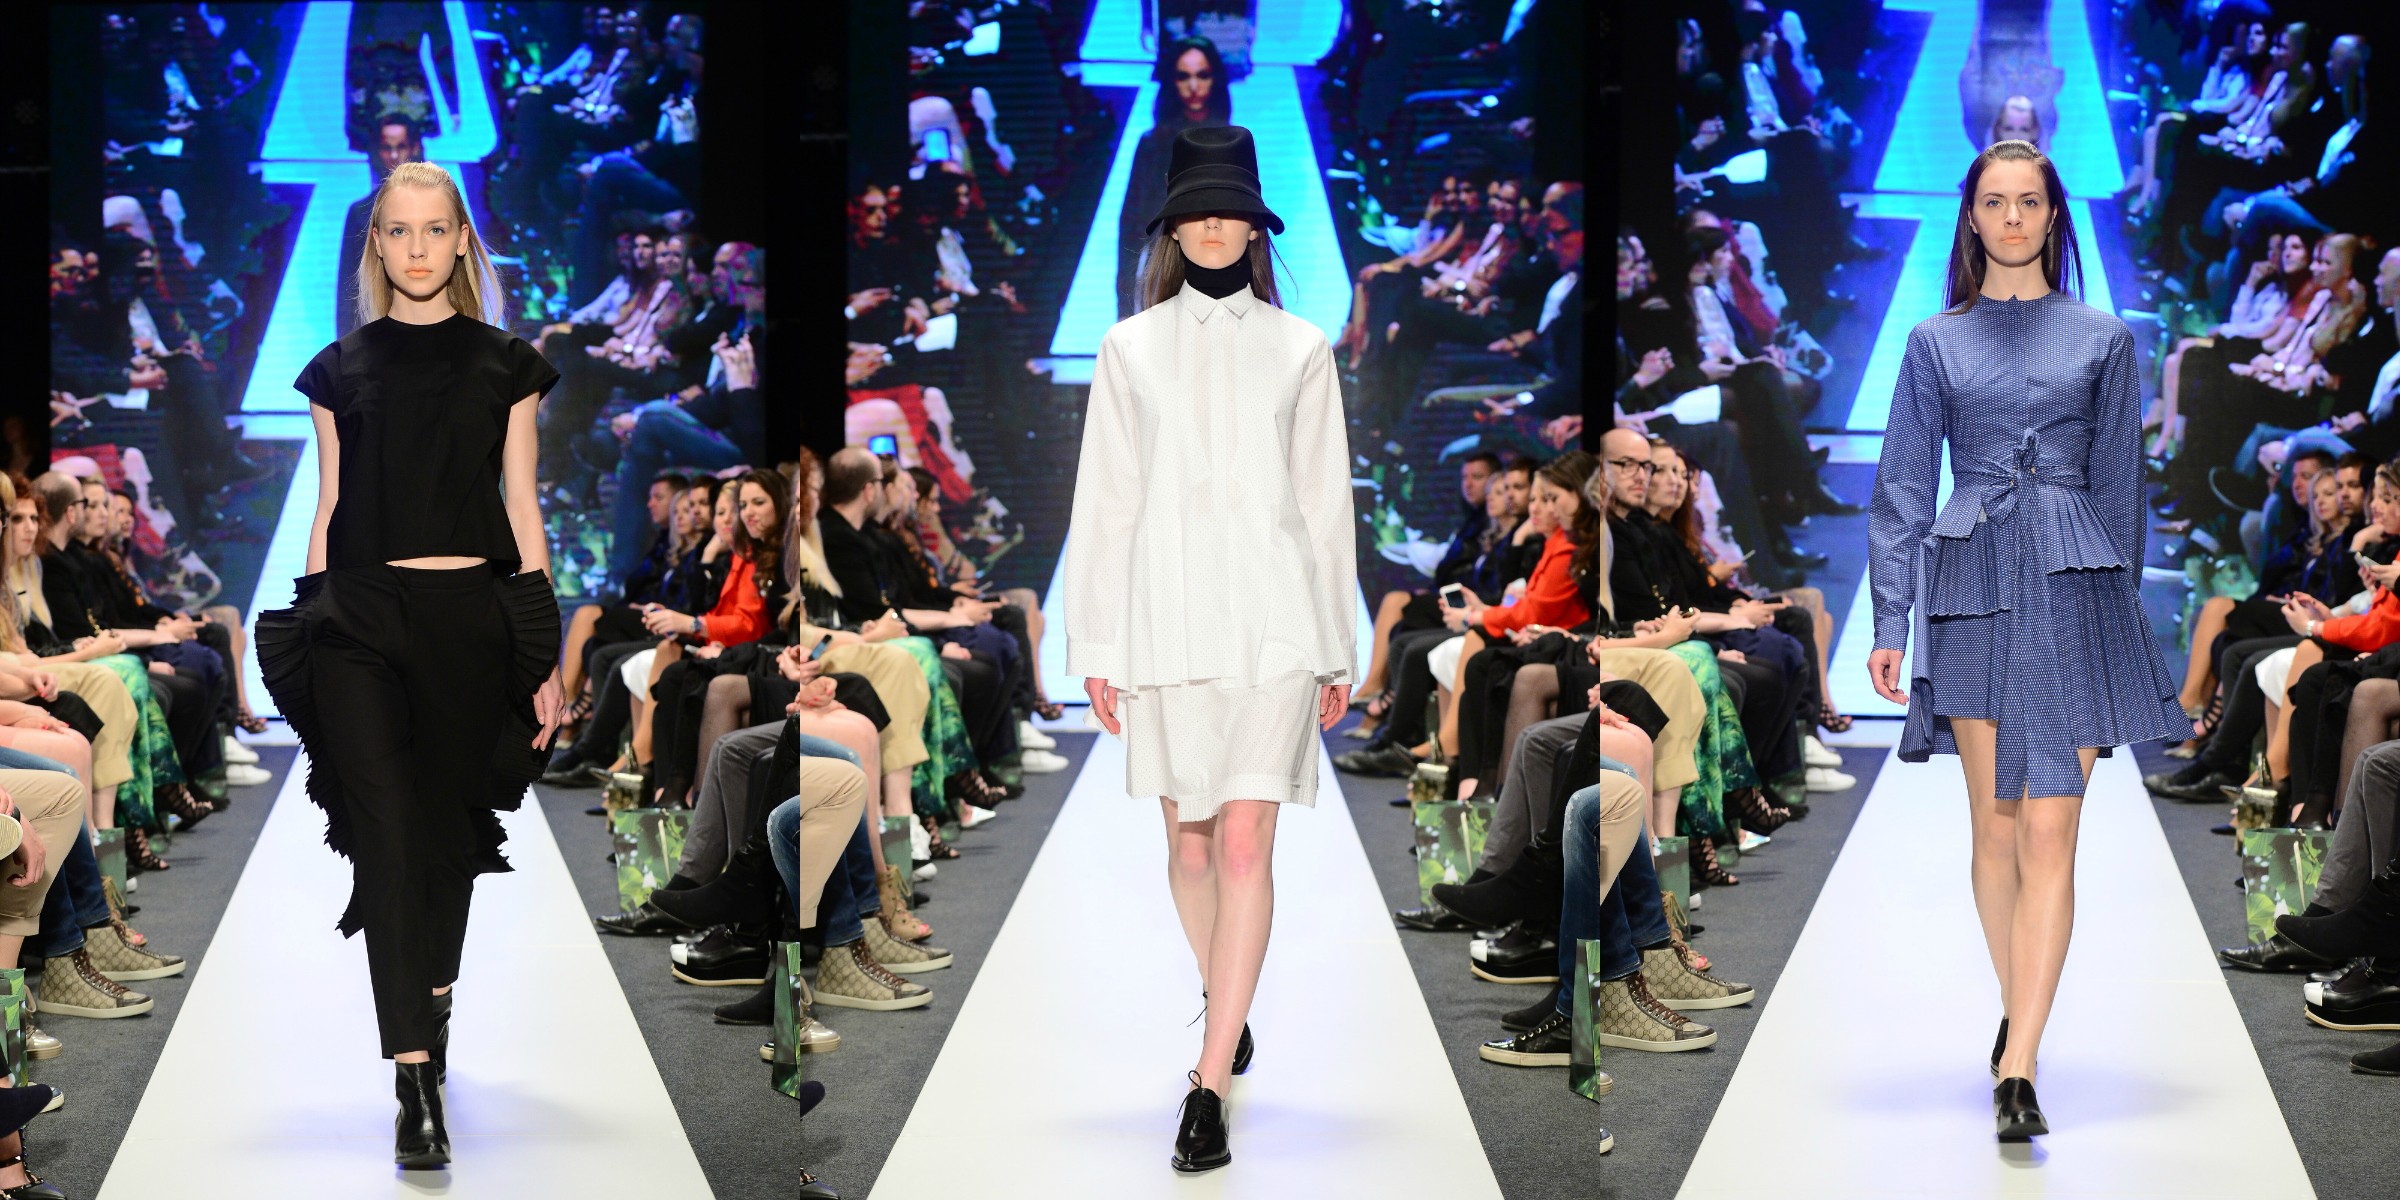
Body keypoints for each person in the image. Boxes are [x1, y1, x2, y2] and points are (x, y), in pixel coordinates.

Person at [1865, 139, 2183, 1141]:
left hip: (2076, 585)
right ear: (1971, 216)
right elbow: (1902, 486)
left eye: (2029, 202)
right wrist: (1889, 617)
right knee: (1996, 827)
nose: (2011, 218)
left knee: (2051, 827)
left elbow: (2123, 492)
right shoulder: (1935, 342)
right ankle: (2022, 1010)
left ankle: (2019, 1061)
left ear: (2053, 215)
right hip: (1972, 582)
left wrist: (2124, 618)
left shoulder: (2105, 338)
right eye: (1995, 202)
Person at [256, 160, 567, 1170]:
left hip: (470, 619)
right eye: (400, 230)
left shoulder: (508, 365)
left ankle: (431, 1004)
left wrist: (544, 646)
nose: (419, 247)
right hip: (358, 618)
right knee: (387, 841)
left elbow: (523, 508)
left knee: (445, 837)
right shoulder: (336, 370)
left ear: (462, 239)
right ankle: (413, 1079)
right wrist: (310, 624)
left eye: (437, 229)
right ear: (377, 244)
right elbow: (330, 505)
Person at [1060, 125, 1356, 1174]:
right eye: (1197, 209)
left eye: (1231, 208)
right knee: (1187, 847)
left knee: (1240, 846)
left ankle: (1208, 1082)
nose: (1215, 223)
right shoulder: (1128, 348)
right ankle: (1229, 1003)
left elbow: (1324, 508)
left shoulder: (1303, 347)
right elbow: (1106, 501)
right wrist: (1097, 642)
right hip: (1166, 623)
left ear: (1257, 226)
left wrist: (1336, 647)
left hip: (1276, 623)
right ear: (1173, 229)